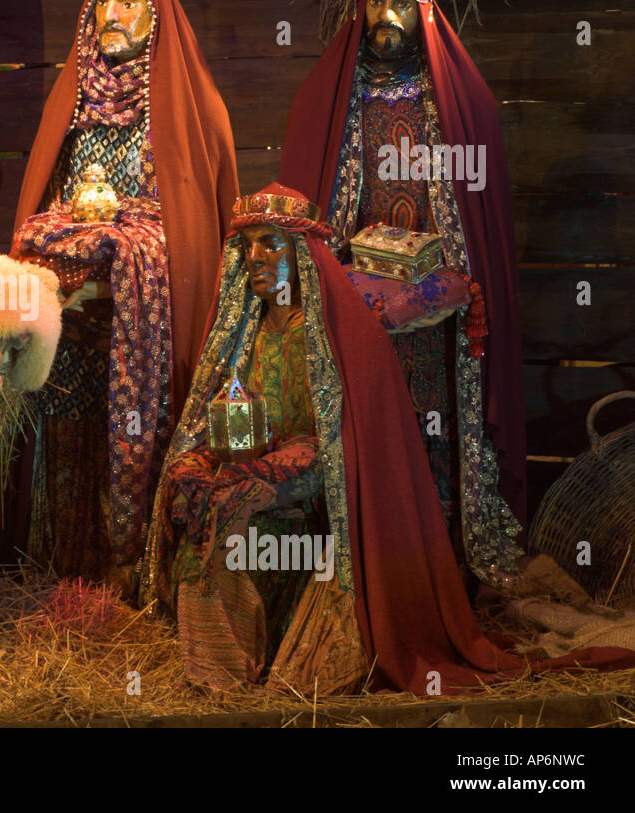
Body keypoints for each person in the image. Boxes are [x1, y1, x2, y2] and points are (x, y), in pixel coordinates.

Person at [147, 184, 634, 695]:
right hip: (261, 467)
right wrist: (204, 465)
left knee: (235, 510)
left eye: (270, 243)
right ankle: (216, 670)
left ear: (302, 254)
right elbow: (214, 418)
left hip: (322, 484)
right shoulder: (242, 331)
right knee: (193, 484)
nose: (254, 258)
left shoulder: (338, 333)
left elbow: (350, 442)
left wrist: (267, 471)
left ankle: (241, 668)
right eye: (245, 247)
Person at [0, 0, 239, 596]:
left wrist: (130, 245)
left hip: (143, 307)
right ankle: (62, 564)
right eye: (105, 1)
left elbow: (194, 228)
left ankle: (135, 571)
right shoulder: (73, 100)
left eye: (129, 2)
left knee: (135, 426)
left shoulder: (190, 105)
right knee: (66, 417)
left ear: (155, 14)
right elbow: (47, 200)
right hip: (75, 304)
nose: (115, 14)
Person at [278, 0, 523, 584]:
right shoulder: (331, 98)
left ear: (424, 8)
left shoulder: (462, 103)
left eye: (400, 3)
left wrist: (441, 269)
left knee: (432, 426)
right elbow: (312, 200)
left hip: (435, 306)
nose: (386, 15)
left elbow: (478, 217)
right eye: (374, 1)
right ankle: (367, 554)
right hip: (358, 300)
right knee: (368, 427)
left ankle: (435, 554)